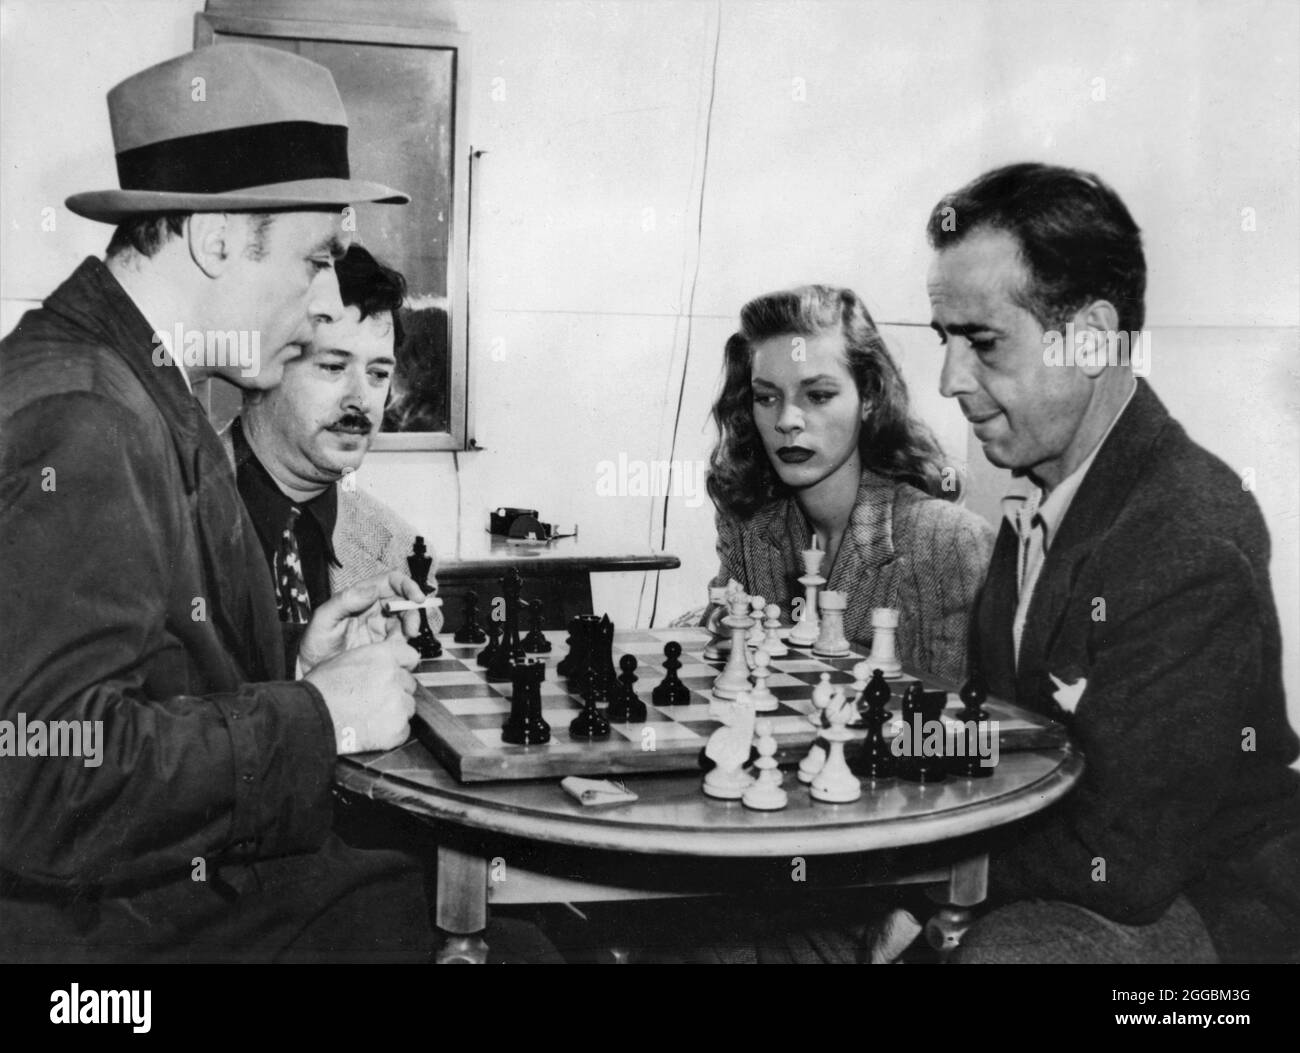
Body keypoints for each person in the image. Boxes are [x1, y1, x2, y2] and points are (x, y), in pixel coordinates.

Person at [0, 45, 437, 963]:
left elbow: (147, 680)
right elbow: (42, 775)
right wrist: (319, 718)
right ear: (213, 237)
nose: (324, 303)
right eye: (317, 259)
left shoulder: (134, 379)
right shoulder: (86, 416)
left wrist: (291, 672)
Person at [924, 162, 1300, 963]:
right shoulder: (1041, 501)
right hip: (1071, 875)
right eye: (945, 341)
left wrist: (910, 877)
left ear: (1091, 335)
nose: (951, 380)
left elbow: (1121, 861)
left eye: (982, 342)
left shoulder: (1186, 537)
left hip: (1208, 918)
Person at [706, 285, 995, 683]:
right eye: (767, 398)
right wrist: (716, 623)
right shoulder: (749, 527)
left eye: (818, 395)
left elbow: (956, 724)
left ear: (871, 396)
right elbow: (721, 634)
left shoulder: (947, 542)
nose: (788, 420)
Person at [223, 243, 442, 628]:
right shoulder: (164, 517)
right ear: (262, 369)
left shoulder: (400, 554)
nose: (361, 400)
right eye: (333, 367)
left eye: (377, 374)